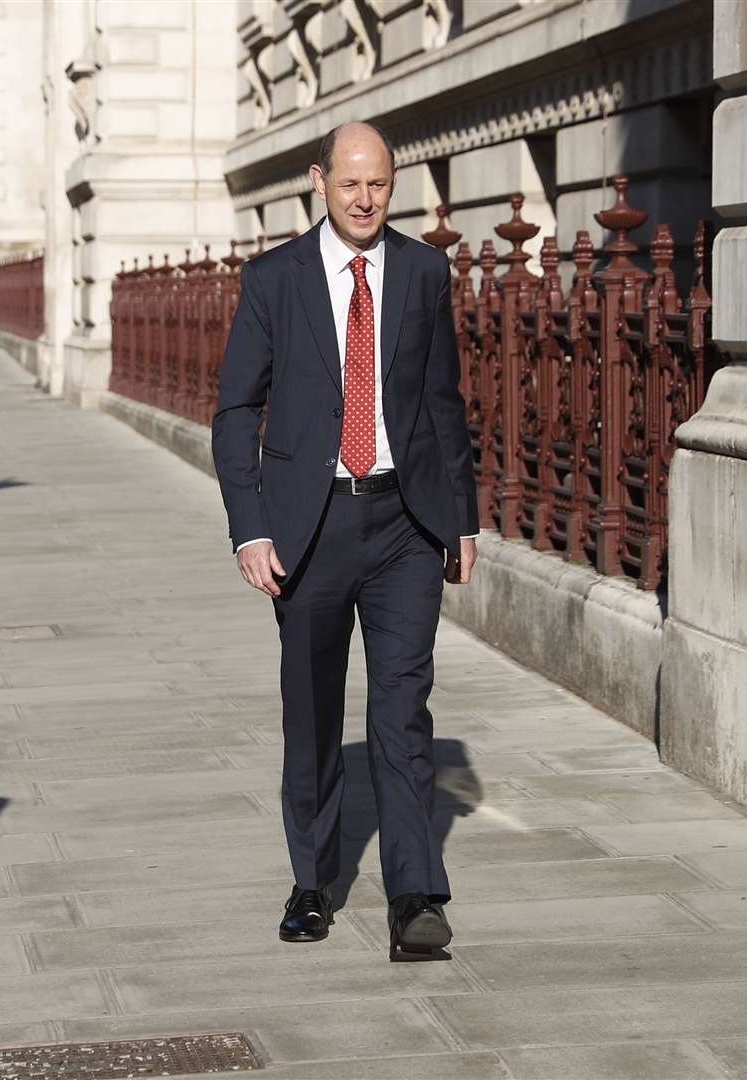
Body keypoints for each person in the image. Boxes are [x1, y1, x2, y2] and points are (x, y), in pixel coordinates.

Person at [210, 122, 479, 961]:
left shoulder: (425, 270)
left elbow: (443, 403)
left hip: (404, 522)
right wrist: (249, 527)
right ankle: (312, 881)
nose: (365, 201)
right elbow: (233, 414)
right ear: (319, 182)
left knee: (401, 712)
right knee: (313, 711)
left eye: (381, 185)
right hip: (309, 528)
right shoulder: (274, 281)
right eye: (350, 184)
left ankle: (414, 897)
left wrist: (460, 515)